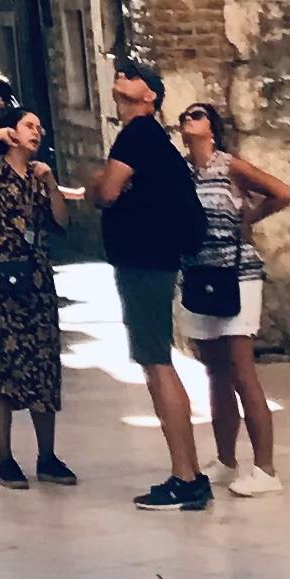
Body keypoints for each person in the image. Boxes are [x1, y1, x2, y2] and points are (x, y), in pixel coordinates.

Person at [83, 61, 210, 507]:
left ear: (149, 97)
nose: (118, 87)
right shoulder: (151, 139)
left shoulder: (138, 135)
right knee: (154, 360)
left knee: (156, 363)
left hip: (144, 262)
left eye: (126, 86)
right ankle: (188, 472)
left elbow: (107, 192)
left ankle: (185, 475)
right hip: (153, 260)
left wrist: (97, 183)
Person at [0, 106, 79, 486]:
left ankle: (47, 455)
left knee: (43, 367)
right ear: (15, 132)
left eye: (40, 126)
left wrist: (52, 183)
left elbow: (60, 222)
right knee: (0, 369)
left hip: (37, 282)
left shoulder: (40, 176)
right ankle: (5, 459)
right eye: (29, 125)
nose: (37, 132)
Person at [176, 102, 290, 498]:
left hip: (236, 274)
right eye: (184, 117)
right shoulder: (181, 171)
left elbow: (282, 192)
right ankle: (226, 460)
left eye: (196, 115)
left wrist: (250, 218)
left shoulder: (231, 167)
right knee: (214, 370)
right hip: (198, 275)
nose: (187, 121)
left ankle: (266, 467)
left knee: (242, 368)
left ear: (212, 127)